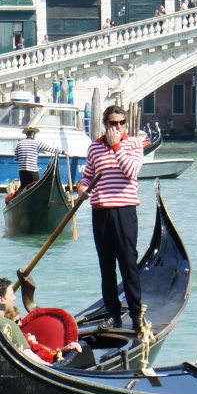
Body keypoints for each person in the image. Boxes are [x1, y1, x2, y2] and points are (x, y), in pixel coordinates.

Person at [77, 104, 146, 331]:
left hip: (124, 210)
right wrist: (81, 189)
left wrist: (116, 146)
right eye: (112, 123)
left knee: (128, 264)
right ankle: (113, 314)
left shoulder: (134, 143)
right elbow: (87, 176)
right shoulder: (94, 147)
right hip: (100, 212)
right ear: (105, 124)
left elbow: (132, 172)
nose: (117, 127)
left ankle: (136, 314)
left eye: (121, 123)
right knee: (106, 266)